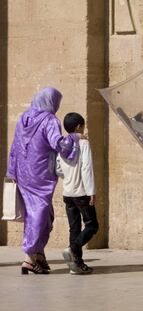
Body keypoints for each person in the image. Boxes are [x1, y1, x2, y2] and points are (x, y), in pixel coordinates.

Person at [6, 87, 80, 274]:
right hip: (41, 175)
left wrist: (11, 171)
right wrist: (74, 138)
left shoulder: (23, 118)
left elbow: (14, 147)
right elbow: (58, 143)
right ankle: (29, 257)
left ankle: (39, 255)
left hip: (23, 173)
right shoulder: (50, 120)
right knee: (39, 212)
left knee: (40, 214)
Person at [56, 112, 99, 275]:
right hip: (82, 192)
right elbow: (86, 169)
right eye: (83, 125)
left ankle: (76, 265)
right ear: (78, 127)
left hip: (68, 193)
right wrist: (91, 191)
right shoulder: (83, 144)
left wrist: (68, 179)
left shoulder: (62, 145)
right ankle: (73, 249)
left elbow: (58, 169)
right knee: (92, 225)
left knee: (74, 228)